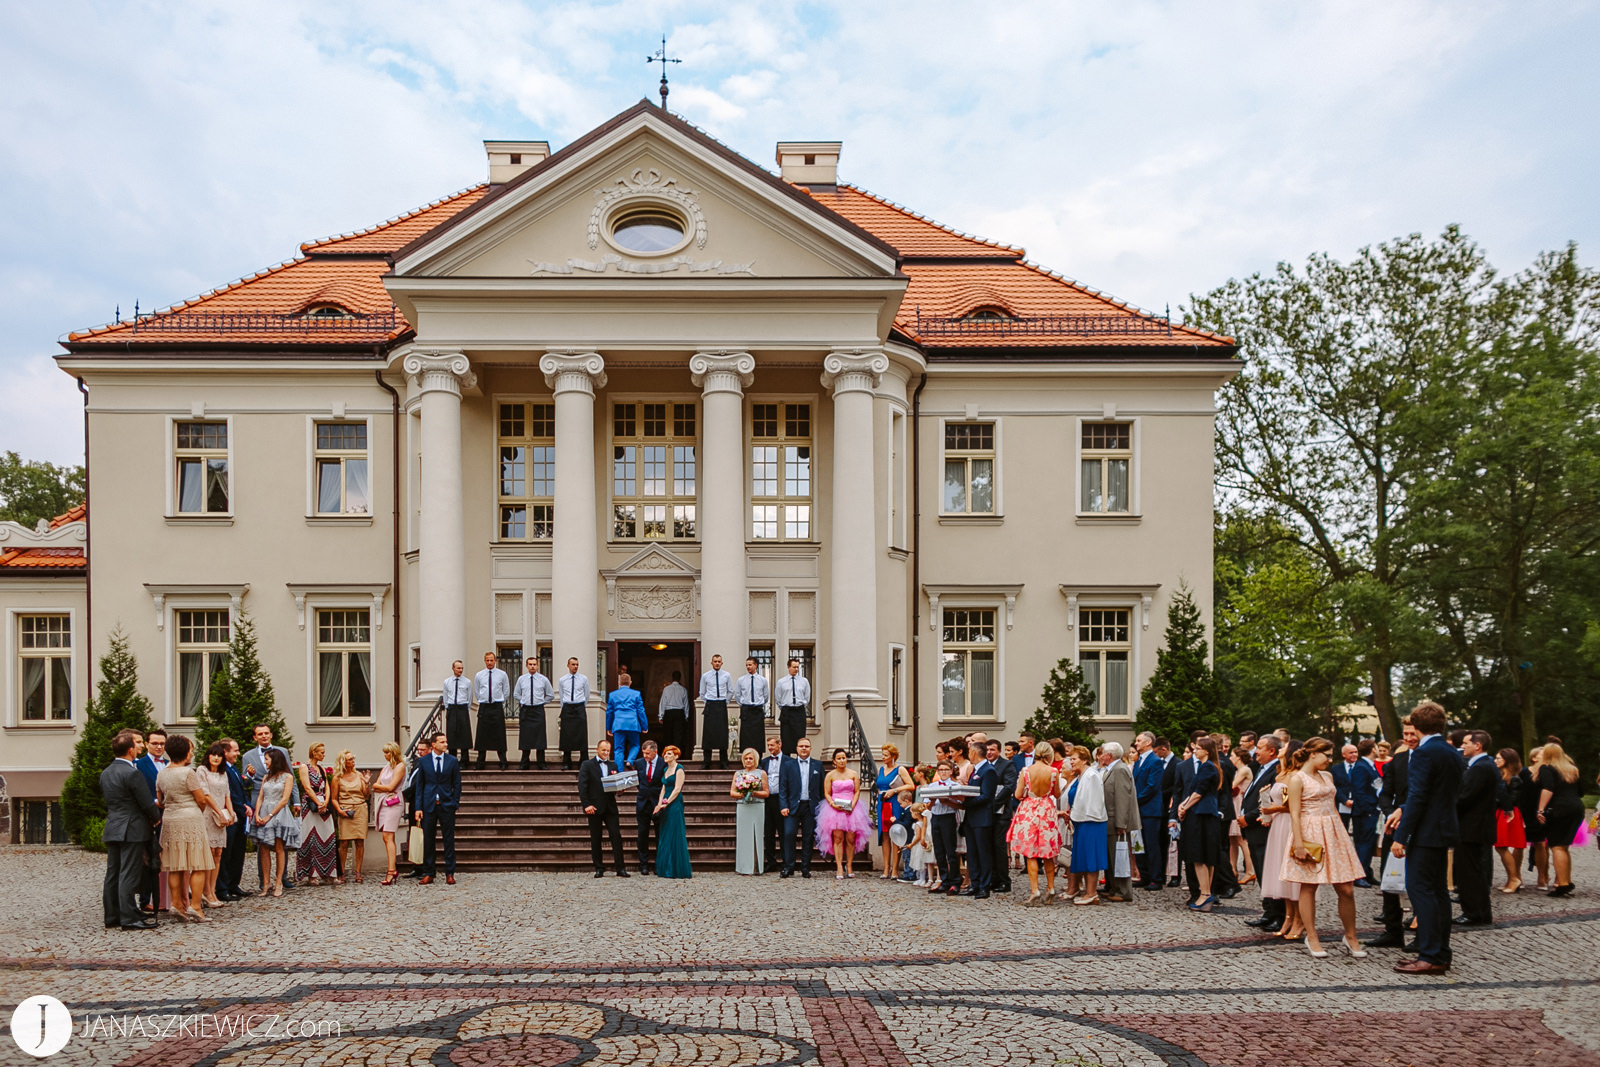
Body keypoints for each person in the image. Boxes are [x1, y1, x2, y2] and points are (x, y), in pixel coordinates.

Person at [1392, 701, 1463, 975]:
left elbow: (1418, 797)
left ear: (1417, 726)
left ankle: (1431, 954)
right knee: (1438, 894)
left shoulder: (1424, 753)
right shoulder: (1450, 751)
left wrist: (1402, 836)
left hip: (1426, 831)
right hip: (1444, 827)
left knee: (1421, 891)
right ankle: (1440, 952)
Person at [1282, 737, 1366, 958]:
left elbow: (1332, 804)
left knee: (1346, 887)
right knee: (1309, 885)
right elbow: (1294, 813)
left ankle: (1351, 936)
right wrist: (1298, 844)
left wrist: (1342, 837)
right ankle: (1312, 936)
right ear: (1312, 754)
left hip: (1334, 829)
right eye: (1327, 755)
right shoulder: (1296, 778)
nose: (1330, 760)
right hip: (1310, 831)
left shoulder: (1328, 776)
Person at [156, 734, 221, 922]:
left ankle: (176, 904)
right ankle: (195, 907)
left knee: (175, 865)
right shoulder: (188, 773)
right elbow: (201, 799)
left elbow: (159, 800)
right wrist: (196, 810)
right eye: (190, 750)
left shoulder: (162, 773)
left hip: (170, 818)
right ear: (185, 753)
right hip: (190, 817)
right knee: (198, 864)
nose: (192, 754)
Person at [100, 730, 161, 930]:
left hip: (113, 825)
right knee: (128, 874)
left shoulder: (106, 772)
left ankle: (112, 916)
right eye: (137, 745)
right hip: (132, 827)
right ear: (129, 750)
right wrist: (156, 819)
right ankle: (128, 918)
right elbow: (145, 803)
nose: (139, 748)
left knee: (113, 873)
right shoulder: (132, 773)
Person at [1366, 719, 1416, 950]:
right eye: (1405, 734)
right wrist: (1390, 813)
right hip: (1394, 825)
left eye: (1412, 733)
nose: (1408, 738)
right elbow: (1385, 795)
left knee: (1419, 881)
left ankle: (1422, 929)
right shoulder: (1398, 762)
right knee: (1389, 878)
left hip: (1419, 825)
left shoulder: (1430, 759)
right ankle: (1392, 930)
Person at [241, 723, 299, 893]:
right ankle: (263, 881)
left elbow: (292, 778)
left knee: (280, 845)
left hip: (279, 804)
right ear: (255, 737)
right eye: (260, 734)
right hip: (261, 801)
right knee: (263, 845)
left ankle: (282, 878)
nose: (264, 736)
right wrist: (250, 776)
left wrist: (296, 801)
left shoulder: (282, 753)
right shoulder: (248, 756)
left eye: (266, 733)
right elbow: (245, 782)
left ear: (271, 735)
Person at [1455, 729, 1498, 926]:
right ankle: (1480, 912)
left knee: (1469, 873)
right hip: (1476, 826)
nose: (1462, 746)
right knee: (1475, 872)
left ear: (1477, 745)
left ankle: (1473, 912)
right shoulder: (1483, 765)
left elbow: (1465, 796)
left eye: (1466, 743)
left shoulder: (1481, 767)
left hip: (1473, 827)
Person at [1176, 737, 1224, 911]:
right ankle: (1206, 893)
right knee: (1204, 855)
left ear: (1207, 750)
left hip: (1202, 814)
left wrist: (1185, 807)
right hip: (1201, 812)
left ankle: (1205, 893)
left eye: (1197, 748)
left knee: (1200, 855)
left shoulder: (1208, 768)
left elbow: (1199, 793)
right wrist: (1183, 804)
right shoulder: (1207, 767)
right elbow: (1193, 792)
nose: (1194, 750)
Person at [1008, 753, 1062, 905]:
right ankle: (1051, 888)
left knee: (1031, 852)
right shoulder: (1053, 771)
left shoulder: (1026, 771)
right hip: (1046, 809)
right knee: (1047, 851)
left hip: (1029, 811)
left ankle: (1035, 891)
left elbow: (1018, 794)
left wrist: (1028, 793)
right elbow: (1057, 794)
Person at [1259, 755, 1302, 940]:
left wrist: (1273, 810)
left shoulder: (1295, 776)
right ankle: (1288, 917)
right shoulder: (1280, 775)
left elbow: (1292, 806)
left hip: (1289, 824)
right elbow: (1283, 802)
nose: (1279, 755)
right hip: (1278, 824)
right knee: (1280, 869)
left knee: (1291, 869)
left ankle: (1298, 919)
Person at [1534, 742, 1584, 897]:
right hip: (1576, 807)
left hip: (1559, 809)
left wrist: (1541, 809)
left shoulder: (1547, 768)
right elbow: (1581, 791)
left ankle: (1562, 885)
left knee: (1557, 846)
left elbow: (1548, 789)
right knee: (1565, 846)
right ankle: (1566, 880)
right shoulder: (1572, 769)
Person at [251, 747, 301, 898]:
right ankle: (266, 883)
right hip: (264, 809)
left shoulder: (288, 777)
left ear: (275, 760)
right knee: (263, 847)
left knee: (279, 847)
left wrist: (270, 816)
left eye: (267, 759)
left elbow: (285, 799)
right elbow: (260, 796)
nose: (265, 762)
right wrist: (257, 813)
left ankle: (279, 881)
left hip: (279, 813)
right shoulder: (266, 777)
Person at [578, 738, 631, 878]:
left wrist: (620, 790)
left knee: (616, 836)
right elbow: (582, 787)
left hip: (610, 807)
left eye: (608, 750)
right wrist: (586, 805)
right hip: (594, 806)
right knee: (596, 837)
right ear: (597, 750)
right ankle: (599, 868)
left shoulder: (613, 765)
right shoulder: (587, 765)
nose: (606, 753)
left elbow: (614, 785)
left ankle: (621, 868)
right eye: (603, 750)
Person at [414, 731, 461, 885]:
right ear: (433, 744)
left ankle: (450, 872)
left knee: (449, 839)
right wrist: (418, 807)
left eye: (446, 742)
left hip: (447, 805)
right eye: (442, 742)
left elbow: (457, 784)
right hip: (428, 805)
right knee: (428, 840)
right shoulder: (424, 761)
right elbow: (420, 786)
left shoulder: (452, 761)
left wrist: (454, 802)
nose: (445, 744)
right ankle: (429, 872)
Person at [815, 747, 871, 879]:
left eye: (843, 758)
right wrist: (833, 804)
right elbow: (827, 793)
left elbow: (857, 791)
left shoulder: (853, 773)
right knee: (838, 838)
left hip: (852, 808)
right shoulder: (830, 775)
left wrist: (853, 804)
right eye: (839, 758)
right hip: (835, 809)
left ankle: (849, 865)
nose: (842, 760)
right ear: (834, 761)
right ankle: (839, 866)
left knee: (851, 839)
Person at [195, 741, 236, 909]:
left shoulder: (223, 773)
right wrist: (218, 811)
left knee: (218, 853)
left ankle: (212, 890)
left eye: (219, 755)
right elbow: (205, 794)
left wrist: (231, 811)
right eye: (214, 755)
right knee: (209, 852)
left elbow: (227, 794)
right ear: (208, 756)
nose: (216, 758)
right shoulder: (201, 770)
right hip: (207, 814)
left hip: (221, 816)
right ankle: (205, 891)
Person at [779, 737, 826, 878]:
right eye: (801, 746)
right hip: (792, 807)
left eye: (806, 746)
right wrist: (783, 805)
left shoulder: (818, 765)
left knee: (808, 837)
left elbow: (822, 788)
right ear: (796, 748)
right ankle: (789, 866)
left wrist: (821, 808)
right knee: (788, 835)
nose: (804, 748)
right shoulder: (788, 765)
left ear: (811, 749)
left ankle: (805, 867)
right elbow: (783, 787)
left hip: (810, 807)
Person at [1066, 745, 1107, 906]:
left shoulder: (1091, 776)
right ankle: (1088, 892)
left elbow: (1094, 801)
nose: (1071, 762)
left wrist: (1080, 815)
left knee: (1092, 858)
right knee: (1084, 857)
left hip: (1091, 822)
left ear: (1084, 760)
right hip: (1083, 821)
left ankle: (1092, 893)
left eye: (1074, 759)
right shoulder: (1083, 775)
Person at [134, 727, 168, 913]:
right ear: (147, 744)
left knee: (165, 859)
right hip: (150, 816)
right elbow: (139, 791)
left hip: (168, 816)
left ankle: (163, 897)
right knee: (148, 859)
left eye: (162, 744)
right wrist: (155, 802)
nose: (158, 747)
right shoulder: (139, 764)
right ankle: (146, 899)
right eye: (154, 743)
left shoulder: (169, 763)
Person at [296, 743, 339, 885]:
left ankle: (329, 872)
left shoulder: (321, 769)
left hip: (323, 804)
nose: (323, 754)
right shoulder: (304, 767)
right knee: (310, 838)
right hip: (310, 804)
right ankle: (311, 874)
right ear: (314, 753)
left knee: (327, 836)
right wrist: (318, 802)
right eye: (321, 752)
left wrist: (326, 802)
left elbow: (326, 786)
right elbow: (307, 786)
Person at [332, 750, 372, 883]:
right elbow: (334, 798)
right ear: (344, 762)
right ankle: (341, 871)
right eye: (350, 759)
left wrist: (366, 783)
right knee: (344, 842)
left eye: (353, 758)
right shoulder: (337, 777)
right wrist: (339, 810)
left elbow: (366, 795)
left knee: (360, 841)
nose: (353, 761)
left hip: (360, 808)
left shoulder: (358, 774)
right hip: (345, 809)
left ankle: (358, 871)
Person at [1132, 732, 1166, 890]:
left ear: (1148, 742)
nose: (1136, 743)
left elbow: (1152, 786)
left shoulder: (1155, 761)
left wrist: (1135, 799)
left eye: (1139, 741)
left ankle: (1155, 877)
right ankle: (1143, 875)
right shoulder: (1139, 761)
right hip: (1138, 809)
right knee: (1138, 843)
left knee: (1151, 844)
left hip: (1150, 810)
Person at [216, 739, 250, 901]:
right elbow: (231, 794)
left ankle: (233, 884)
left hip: (241, 816)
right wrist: (242, 808)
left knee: (237, 852)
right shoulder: (223, 770)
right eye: (235, 751)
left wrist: (248, 805)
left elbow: (241, 791)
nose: (238, 753)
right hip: (231, 816)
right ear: (225, 752)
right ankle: (222, 887)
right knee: (226, 853)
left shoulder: (234, 769)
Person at [876, 744, 914, 881]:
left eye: (886, 755)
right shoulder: (881, 769)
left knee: (896, 833)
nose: (883, 757)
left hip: (895, 803)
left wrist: (895, 791)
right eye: (882, 755)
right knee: (884, 834)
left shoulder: (900, 769)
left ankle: (895, 868)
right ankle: (886, 867)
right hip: (882, 803)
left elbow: (911, 785)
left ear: (893, 756)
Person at [653, 745, 692, 878]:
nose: (666, 756)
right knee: (665, 833)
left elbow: (677, 789)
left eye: (669, 754)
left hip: (674, 803)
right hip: (665, 801)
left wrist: (666, 803)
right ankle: (665, 867)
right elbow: (663, 788)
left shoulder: (679, 769)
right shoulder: (666, 769)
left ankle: (676, 868)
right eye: (665, 754)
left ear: (675, 756)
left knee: (674, 832)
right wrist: (659, 804)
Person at [731, 748, 771, 875]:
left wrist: (753, 792)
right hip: (743, 806)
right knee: (743, 836)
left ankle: (755, 866)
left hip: (757, 806)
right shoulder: (738, 774)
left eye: (751, 758)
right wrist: (743, 793)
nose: (748, 761)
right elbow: (732, 792)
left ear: (755, 760)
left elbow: (766, 792)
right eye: (746, 758)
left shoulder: (761, 773)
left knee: (756, 835)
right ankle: (742, 867)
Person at [372, 742, 408, 885]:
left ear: (393, 753)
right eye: (384, 752)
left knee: (388, 835)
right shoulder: (386, 767)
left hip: (394, 802)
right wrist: (383, 788)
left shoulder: (400, 766)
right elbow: (375, 785)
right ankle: (392, 868)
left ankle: (391, 870)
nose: (385, 755)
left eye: (387, 752)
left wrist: (382, 787)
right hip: (385, 801)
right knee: (386, 836)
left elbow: (392, 786)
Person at [401, 736, 435, 878]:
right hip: (415, 803)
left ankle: (427, 867)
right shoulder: (418, 762)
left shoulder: (430, 764)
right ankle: (417, 866)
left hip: (424, 803)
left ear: (430, 750)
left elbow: (419, 784)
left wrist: (404, 794)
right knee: (414, 834)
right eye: (419, 750)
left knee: (425, 836)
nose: (419, 752)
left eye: (423, 750)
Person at [927, 760, 962, 895]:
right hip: (936, 817)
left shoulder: (955, 785)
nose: (943, 772)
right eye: (941, 770)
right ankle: (944, 880)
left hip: (948, 817)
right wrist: (932, 800)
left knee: (950, 851)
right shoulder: (932, 786)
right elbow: (927, 807)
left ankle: (955, 881)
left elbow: (960, 804)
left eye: (946, 770)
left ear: (951, 771)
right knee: (939, 851)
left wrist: (948, 801)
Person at [1494, 748, 1526, 894]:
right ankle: (1512, 878)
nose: (1495, 761)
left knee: (1502, 846)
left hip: (1508, 813)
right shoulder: (1501, 776)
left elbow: (1513, 800)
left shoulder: (1515, 779)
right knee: (1500, 846)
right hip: (1501, 812)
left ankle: (1515, 878)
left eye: (1499, 758)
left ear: (1507, 760)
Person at [1518, 747, 1550, 890]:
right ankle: (1516, 876)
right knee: (1519, 845)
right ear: (1534, 758)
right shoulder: (1524, 772)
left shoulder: (1548, 773)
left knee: (1540, 843)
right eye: (1542, 755)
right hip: (1524, 810)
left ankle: (1542, 877)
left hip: (1540, 811)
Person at [515, 657, 556, 769]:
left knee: (540, 737)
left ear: (537, 666)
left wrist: (542, 702)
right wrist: (523, 701)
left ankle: (541, 763)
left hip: (538, 710)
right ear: (526, 666)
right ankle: (524, 762)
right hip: (526, 710)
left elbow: (550, 695)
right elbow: (516, 694)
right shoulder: (521, 679)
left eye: (534, 664)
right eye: (530, 664)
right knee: (525, 737)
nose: (532, 666)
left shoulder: (543, 679)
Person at [473, 651, 511, 770]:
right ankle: (480, 761)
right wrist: (483, 700)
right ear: (485, 661)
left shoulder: (502, 674)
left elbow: (506, 690)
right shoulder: (479, 675)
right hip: (484, 706)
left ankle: (503, 760)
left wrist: (499, 700)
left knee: (499, 734)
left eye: (491, 660)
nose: (489, 662)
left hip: (496, 707)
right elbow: (477, 690)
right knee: (481, 734)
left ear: (495, 661)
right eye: (487, 660)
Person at [633, 739, 665, 874]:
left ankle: (659, 863)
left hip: (657, 803)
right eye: (643, 753)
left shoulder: (663, 763)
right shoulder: (639, 763)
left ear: (655, 752)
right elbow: (637, 781)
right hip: (643, 803)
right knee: (642, 834)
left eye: (647, 753)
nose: (645, 756)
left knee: (660, 834)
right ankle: (643, 864)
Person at [1228, 746, 1257, 886]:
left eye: (1232, 755)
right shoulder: (1238, 770)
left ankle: (1250, 871)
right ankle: (1232, 869)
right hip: (1234, 803)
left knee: (1241, 839)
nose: (1230, 758)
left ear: (1238, 757)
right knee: (1232, 839)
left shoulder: (1244, 769)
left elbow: (1232, 785)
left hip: (1240, 804)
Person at [606, 671, 648, 767]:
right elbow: (641, 711)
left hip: (618, 724)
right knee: (635, 745)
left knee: (618, 749)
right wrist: (644, 726)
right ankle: (630, 760)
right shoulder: (636, 694)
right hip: (632, 723)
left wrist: (608, 727)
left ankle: (619, 770)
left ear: (619, 682)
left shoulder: (612, 695)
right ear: (630, 682)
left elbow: (609, 712)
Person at [698, 654, 733, 768]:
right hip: (710, 704)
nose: (717, 663)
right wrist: (708, 702)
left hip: (721, 704)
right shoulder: (705, 676)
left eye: (719, 661)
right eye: (715, 661)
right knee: (708, 734)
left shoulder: (726, 675)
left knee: (722, 733)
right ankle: (706, 761)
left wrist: (725, 702)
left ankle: (724, 761)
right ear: (711, 663)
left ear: (722, 663)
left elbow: (730, 691)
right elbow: (702, 693)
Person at [557, 657, 591, 771]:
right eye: (573, 664)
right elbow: (561, 695)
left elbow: (587, 694)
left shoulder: (583, 679)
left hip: (579, 706)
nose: (575, 666)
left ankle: (583, 761)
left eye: (577, 664)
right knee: (566, 734)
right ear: (568, 665)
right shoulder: (562, 680)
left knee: (582, 733)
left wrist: (581, 705)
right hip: (567, 707)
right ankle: (567, 761)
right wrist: (565, 707)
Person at [775, 657, 811, 756]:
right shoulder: (781, 682)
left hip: (799, 711)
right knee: (786, 737)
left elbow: (807, 697)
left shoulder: (804, 681)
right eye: (794, 667)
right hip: (787, 711)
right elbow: (778, 698)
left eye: (797, 667)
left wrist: (800, 705)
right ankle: (787, 760)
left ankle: (800, 759)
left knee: (799, 736)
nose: (796, 669)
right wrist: (784, 708)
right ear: (788, 667)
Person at [735, 657, 770, 756]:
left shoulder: (762, 680)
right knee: (746, 736)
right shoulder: (741, 680)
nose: (748, 667)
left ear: (756, 665)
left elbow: (766, 696)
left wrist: (759, 703)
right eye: (746, 665)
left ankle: (758, 758)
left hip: (757, 710)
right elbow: (737, 695)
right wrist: (744, 704)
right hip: (746, 709)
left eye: (750, 665)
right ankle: (746, 757)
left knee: (758, 735)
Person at [761, 738, 786, 871]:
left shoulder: (789, 761)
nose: (770, 747)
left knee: (783, 832)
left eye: (772, 745)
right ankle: (771, 861)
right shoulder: (764, 762)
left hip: (781, 800)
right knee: (768, 832)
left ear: (779, 744)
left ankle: (785, 862)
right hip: (767, 799)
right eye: (768, 745)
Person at [442, 660, 473, 764]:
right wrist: (448, 707)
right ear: (453, 668)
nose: (460, 670)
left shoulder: (467, 682)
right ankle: (452, 760)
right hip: (452, 708)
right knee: (452, 735)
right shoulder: (447, 682)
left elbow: (469, 697)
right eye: (458, 668)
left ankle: (464, 760)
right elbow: (445, 696)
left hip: (462, 708)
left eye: (461, 668)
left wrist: (465, 708)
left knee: (464, 734)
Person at [657, 670, 692, 762]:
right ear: (679, 678)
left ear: (672, 678)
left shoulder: (666, 689)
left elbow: (662, 703)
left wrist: (660, 716)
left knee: (668, 736)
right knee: (678, 736)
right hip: (679, 713)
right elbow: (686, 704)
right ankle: (677, 756)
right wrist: (686, 716)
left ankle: (667, 755)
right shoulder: (683, 689)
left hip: (668, 713)